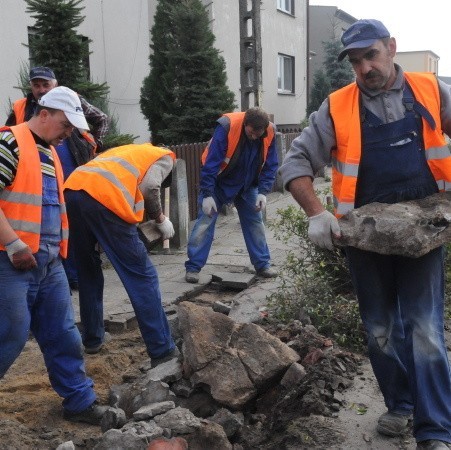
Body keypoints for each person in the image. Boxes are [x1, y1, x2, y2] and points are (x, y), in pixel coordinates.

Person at [280, 19, 451, 449]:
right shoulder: (337, 107)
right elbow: (296, 162)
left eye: (370, 55)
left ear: (391, 48)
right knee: (379, 328)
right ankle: (401, 403)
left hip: (422, 230)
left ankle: (435, 430)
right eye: (355, 61)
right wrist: (317, 213)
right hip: (364, 235)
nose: (364, 68)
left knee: (425, 327)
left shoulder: (432, 91)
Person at [0, 86, 107, 424]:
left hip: (47, 264)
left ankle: (79, 401)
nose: (68, 133)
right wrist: (14, 245)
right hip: (10, 261)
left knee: (64, 334)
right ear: (43, 114)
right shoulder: (10, 143)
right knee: (11, 332)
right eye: (65, 125)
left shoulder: (49, 153)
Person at [63, 143, 178, 364]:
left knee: (88, 271)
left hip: (72, 192)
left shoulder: (130, 152)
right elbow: (151, 187)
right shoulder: (165, 157)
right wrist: (160, 219)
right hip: (104, 198)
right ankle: (162, 349)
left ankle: (93, 339)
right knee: (142, 276)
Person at [6, 66, 109, 290]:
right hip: (32, 179)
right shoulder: (22, 108)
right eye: (37, 85)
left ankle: (73, 275)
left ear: (55, 85)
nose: (41, 90)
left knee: (69, 224)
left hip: (67, 171)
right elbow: (12, 139)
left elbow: (101, 119)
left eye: (46, 85)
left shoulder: (70, 101)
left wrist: (95, 145)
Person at [184, 107, 279, 283]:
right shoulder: (226, 127)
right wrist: (207, 194)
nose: (254, 137)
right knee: (205, 222)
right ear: (245, 124)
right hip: (220, 184)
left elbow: (271, 164)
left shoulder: (270, 132)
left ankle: (262, 265)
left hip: (247, 185)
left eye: (258, 134)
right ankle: (193, 268)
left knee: (255, 222)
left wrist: (263, 192)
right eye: (251, 132)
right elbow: (211, 162)